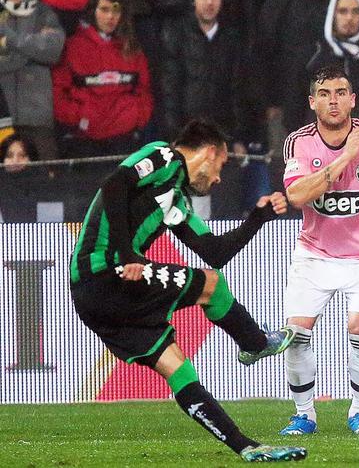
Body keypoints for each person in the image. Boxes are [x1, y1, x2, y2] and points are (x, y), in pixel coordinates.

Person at [68, 119, 305, 462]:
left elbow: (215, 252)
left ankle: (248, 447)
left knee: (178, 368)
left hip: (95, 299)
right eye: (222, 165)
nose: (220, 178)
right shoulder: (164, 156)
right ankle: (254, 343)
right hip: (105, 274)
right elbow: (115, 183)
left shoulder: (176, 201)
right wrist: (128, 252)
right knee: (210, 285)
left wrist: (257, 217)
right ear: (210, 153)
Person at [278, 64, 359, 435]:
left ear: (352, 100)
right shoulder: (298, 142)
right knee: (296, 334)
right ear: (313, 102)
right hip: (315, 254)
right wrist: (346, 156)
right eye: (325, 94)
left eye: (340, 93)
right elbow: (297, 195)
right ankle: (304, 414)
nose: (333, 101)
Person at [52, 0, 152, 157]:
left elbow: (144, 90)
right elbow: (58, 91)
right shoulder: (73, 47)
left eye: (116, 10)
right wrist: (80, 118)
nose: (110, 16)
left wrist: (134, 117)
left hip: (125, 138)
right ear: (93, 12)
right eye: (104, 10)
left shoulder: (132, 48)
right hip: (84, 139)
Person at [159, 0, 254, 142]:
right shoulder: (177, 35)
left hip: (222, 135)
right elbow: (170, 89)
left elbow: (238, 89)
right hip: (188, 134)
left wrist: (238, 138)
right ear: (193, 0)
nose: (209, 2)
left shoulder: (232, 38)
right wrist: (175, 135)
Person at [257, 0, 335, 134]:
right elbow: (263, 54)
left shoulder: (336, 2)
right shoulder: (278, 2)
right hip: (286, 103)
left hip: (330, 103)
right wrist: (269, 102)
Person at [0, 0, 64, 159]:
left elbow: (54, 51)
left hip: (38, 116)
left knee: (47, 187)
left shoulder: (43, 10)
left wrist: (10, 41)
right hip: (1, 115)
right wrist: (33, 51)